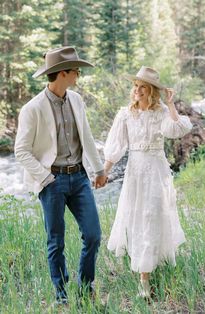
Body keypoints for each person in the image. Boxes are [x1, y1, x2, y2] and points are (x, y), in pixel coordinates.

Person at [14, 46, 107, 305]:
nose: (79, 74)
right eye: (76, 70)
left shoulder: (76, 100)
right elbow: (21, 150)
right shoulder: (32, 109)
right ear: (62, 73)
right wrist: (45, 179)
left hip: (79, 178)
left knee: (93, 235)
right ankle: (61, 296)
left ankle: (86, 290)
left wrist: (98, 169)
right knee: (56, 242)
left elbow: (86, 137)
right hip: (51, 181)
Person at [103, 66, 192, 298]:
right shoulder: (125, 114)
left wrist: (171, 104)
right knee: (136, 217)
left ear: (151, 91)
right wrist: (103, 173)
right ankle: (144, 267)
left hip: (157, 171)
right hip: (134, 173)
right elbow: (116, 147)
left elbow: (179, 129)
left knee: (153, 216)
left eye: (143, 87)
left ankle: (146, 277)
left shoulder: (161, 112)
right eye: (135, 86)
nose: (137, 90)